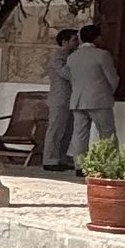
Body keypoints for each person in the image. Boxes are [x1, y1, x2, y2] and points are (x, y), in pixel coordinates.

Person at [66, 24, 119, 163]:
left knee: (79, 134)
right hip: (99, 99)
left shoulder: (72, 57)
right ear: (97, 38)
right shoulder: (102, 55)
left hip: (78, 99)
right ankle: (109, 163)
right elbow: (112, 78)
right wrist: (109, 92)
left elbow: (71, 77)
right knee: (107, 133)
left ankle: (80, 165)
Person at [41, 27, 77, 171]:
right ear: (64, 41)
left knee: (67, 131)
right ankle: (49, 160)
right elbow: (66, 73)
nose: (77, 44)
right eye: (74, 40)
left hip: (71, 98)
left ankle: (61, 158)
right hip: (59, 98)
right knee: (56, 130)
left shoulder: (71, 55)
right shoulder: (58, 56)